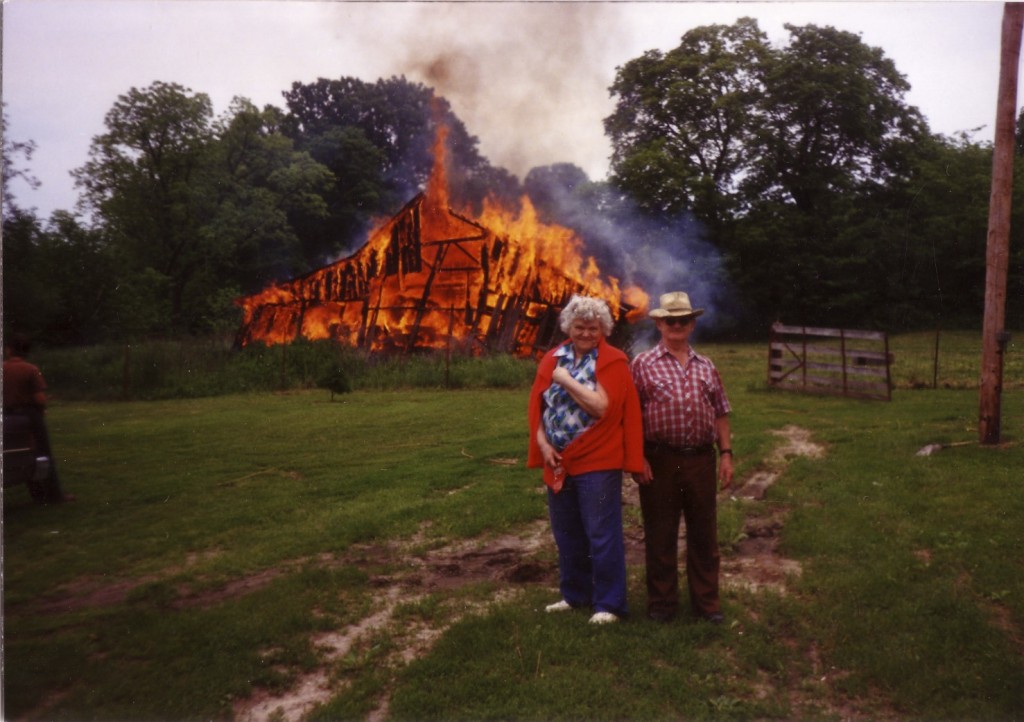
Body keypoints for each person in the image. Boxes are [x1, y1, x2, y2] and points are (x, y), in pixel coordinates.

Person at [527, 295, 644, 625]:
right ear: (569, 327)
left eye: (593, 328)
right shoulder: (552, 359)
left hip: (599, 462)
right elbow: (539, 409)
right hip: (559, 461)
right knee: (567, 532)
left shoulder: (612, 361)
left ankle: (609, 604)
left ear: (603, 329)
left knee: (601, 532)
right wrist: (543, 444)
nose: (586, 333)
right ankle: (574, 594)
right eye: (579, 326)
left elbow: (601, 407)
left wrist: (566, 381)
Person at [630, 291, 733, 624]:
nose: (677, 326)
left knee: (704, 534)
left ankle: (707, 604)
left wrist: (726, 454)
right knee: (660, 533)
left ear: (692, 324)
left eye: (683, 320)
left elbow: (721, 413)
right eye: (670, 320)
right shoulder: (642, 364)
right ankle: (662, 604)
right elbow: (629, 416)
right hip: (659, 460)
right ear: (659, 323)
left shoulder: (707, 366)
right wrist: (636, 458)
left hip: (701, 459)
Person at [3, 333, 73, 503]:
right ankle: (54, 495)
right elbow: (39, 398)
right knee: (43, 453)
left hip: (7, 415)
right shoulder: (31, 369)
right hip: (29, 415)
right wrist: (42, 409)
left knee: (20, 452)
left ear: (10, 350)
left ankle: (37, 493)